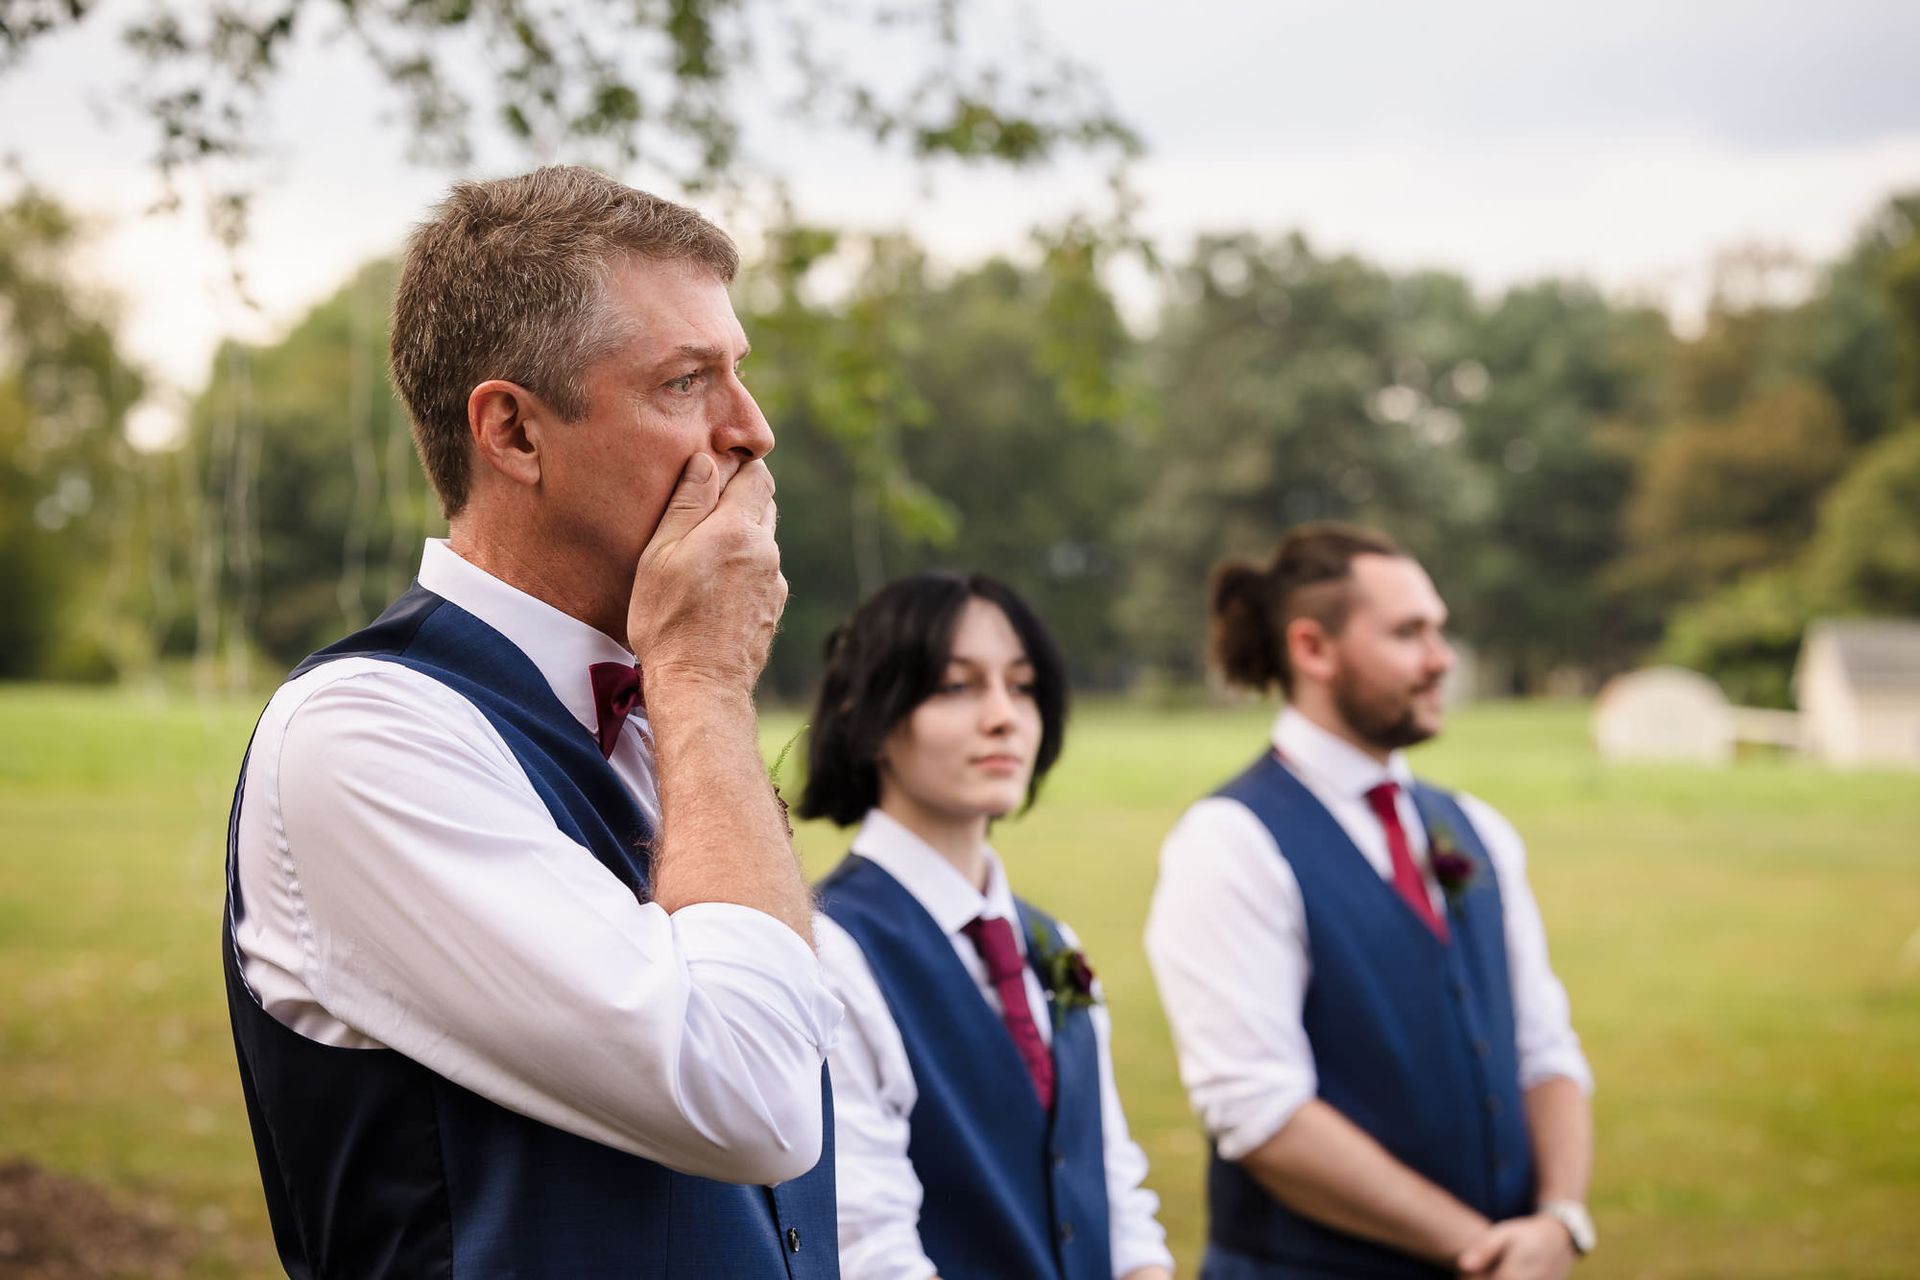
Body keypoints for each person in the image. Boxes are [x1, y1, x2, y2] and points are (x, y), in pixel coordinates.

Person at [223, 166, 843, 1276]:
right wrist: (701, 675)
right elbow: (751, 1091)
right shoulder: (363, 734)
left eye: (737, 375)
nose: (751, 431)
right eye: (685, 382)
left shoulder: (655, 710)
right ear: (512, 430)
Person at [1145, 524, 1596, 1280]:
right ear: (1313, 650)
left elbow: (1544, 1048)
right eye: (1409, 633)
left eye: (1440, 631)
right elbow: (1259, 1112)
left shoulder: (1477, 828)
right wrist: (1482, 1251)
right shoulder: (1229, 842)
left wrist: (1559, 1219)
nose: (1441, 659)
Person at [801, 572, 1175, 1280]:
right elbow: (867, 1247)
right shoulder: (831, 951)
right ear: (871, 714)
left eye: (1024, 685)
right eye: (956, 686)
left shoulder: (1052, 943)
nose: (1005, 716)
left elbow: (1114, 1191)